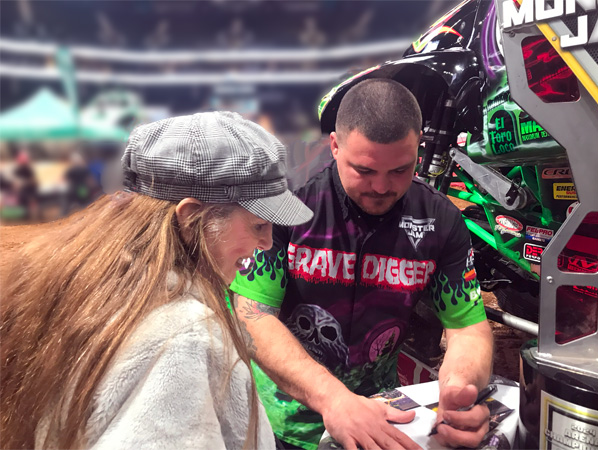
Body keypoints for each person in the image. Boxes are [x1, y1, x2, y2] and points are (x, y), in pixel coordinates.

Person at [0, 111, 313, 450]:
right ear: (192, 219)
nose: (267, 242)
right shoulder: (185, 336)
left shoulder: (81, 282)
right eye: (258, 224)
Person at [231, 79, 494, 450]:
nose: (383, 187)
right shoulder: (288, 207)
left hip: (380, 418)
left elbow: (468, 328)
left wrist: (459, 389)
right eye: (365, 171)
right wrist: (332, 399)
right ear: (335, 147)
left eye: (400, 170)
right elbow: (252, 316)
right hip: (277, 423)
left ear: (418, 149)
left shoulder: (440, 220)